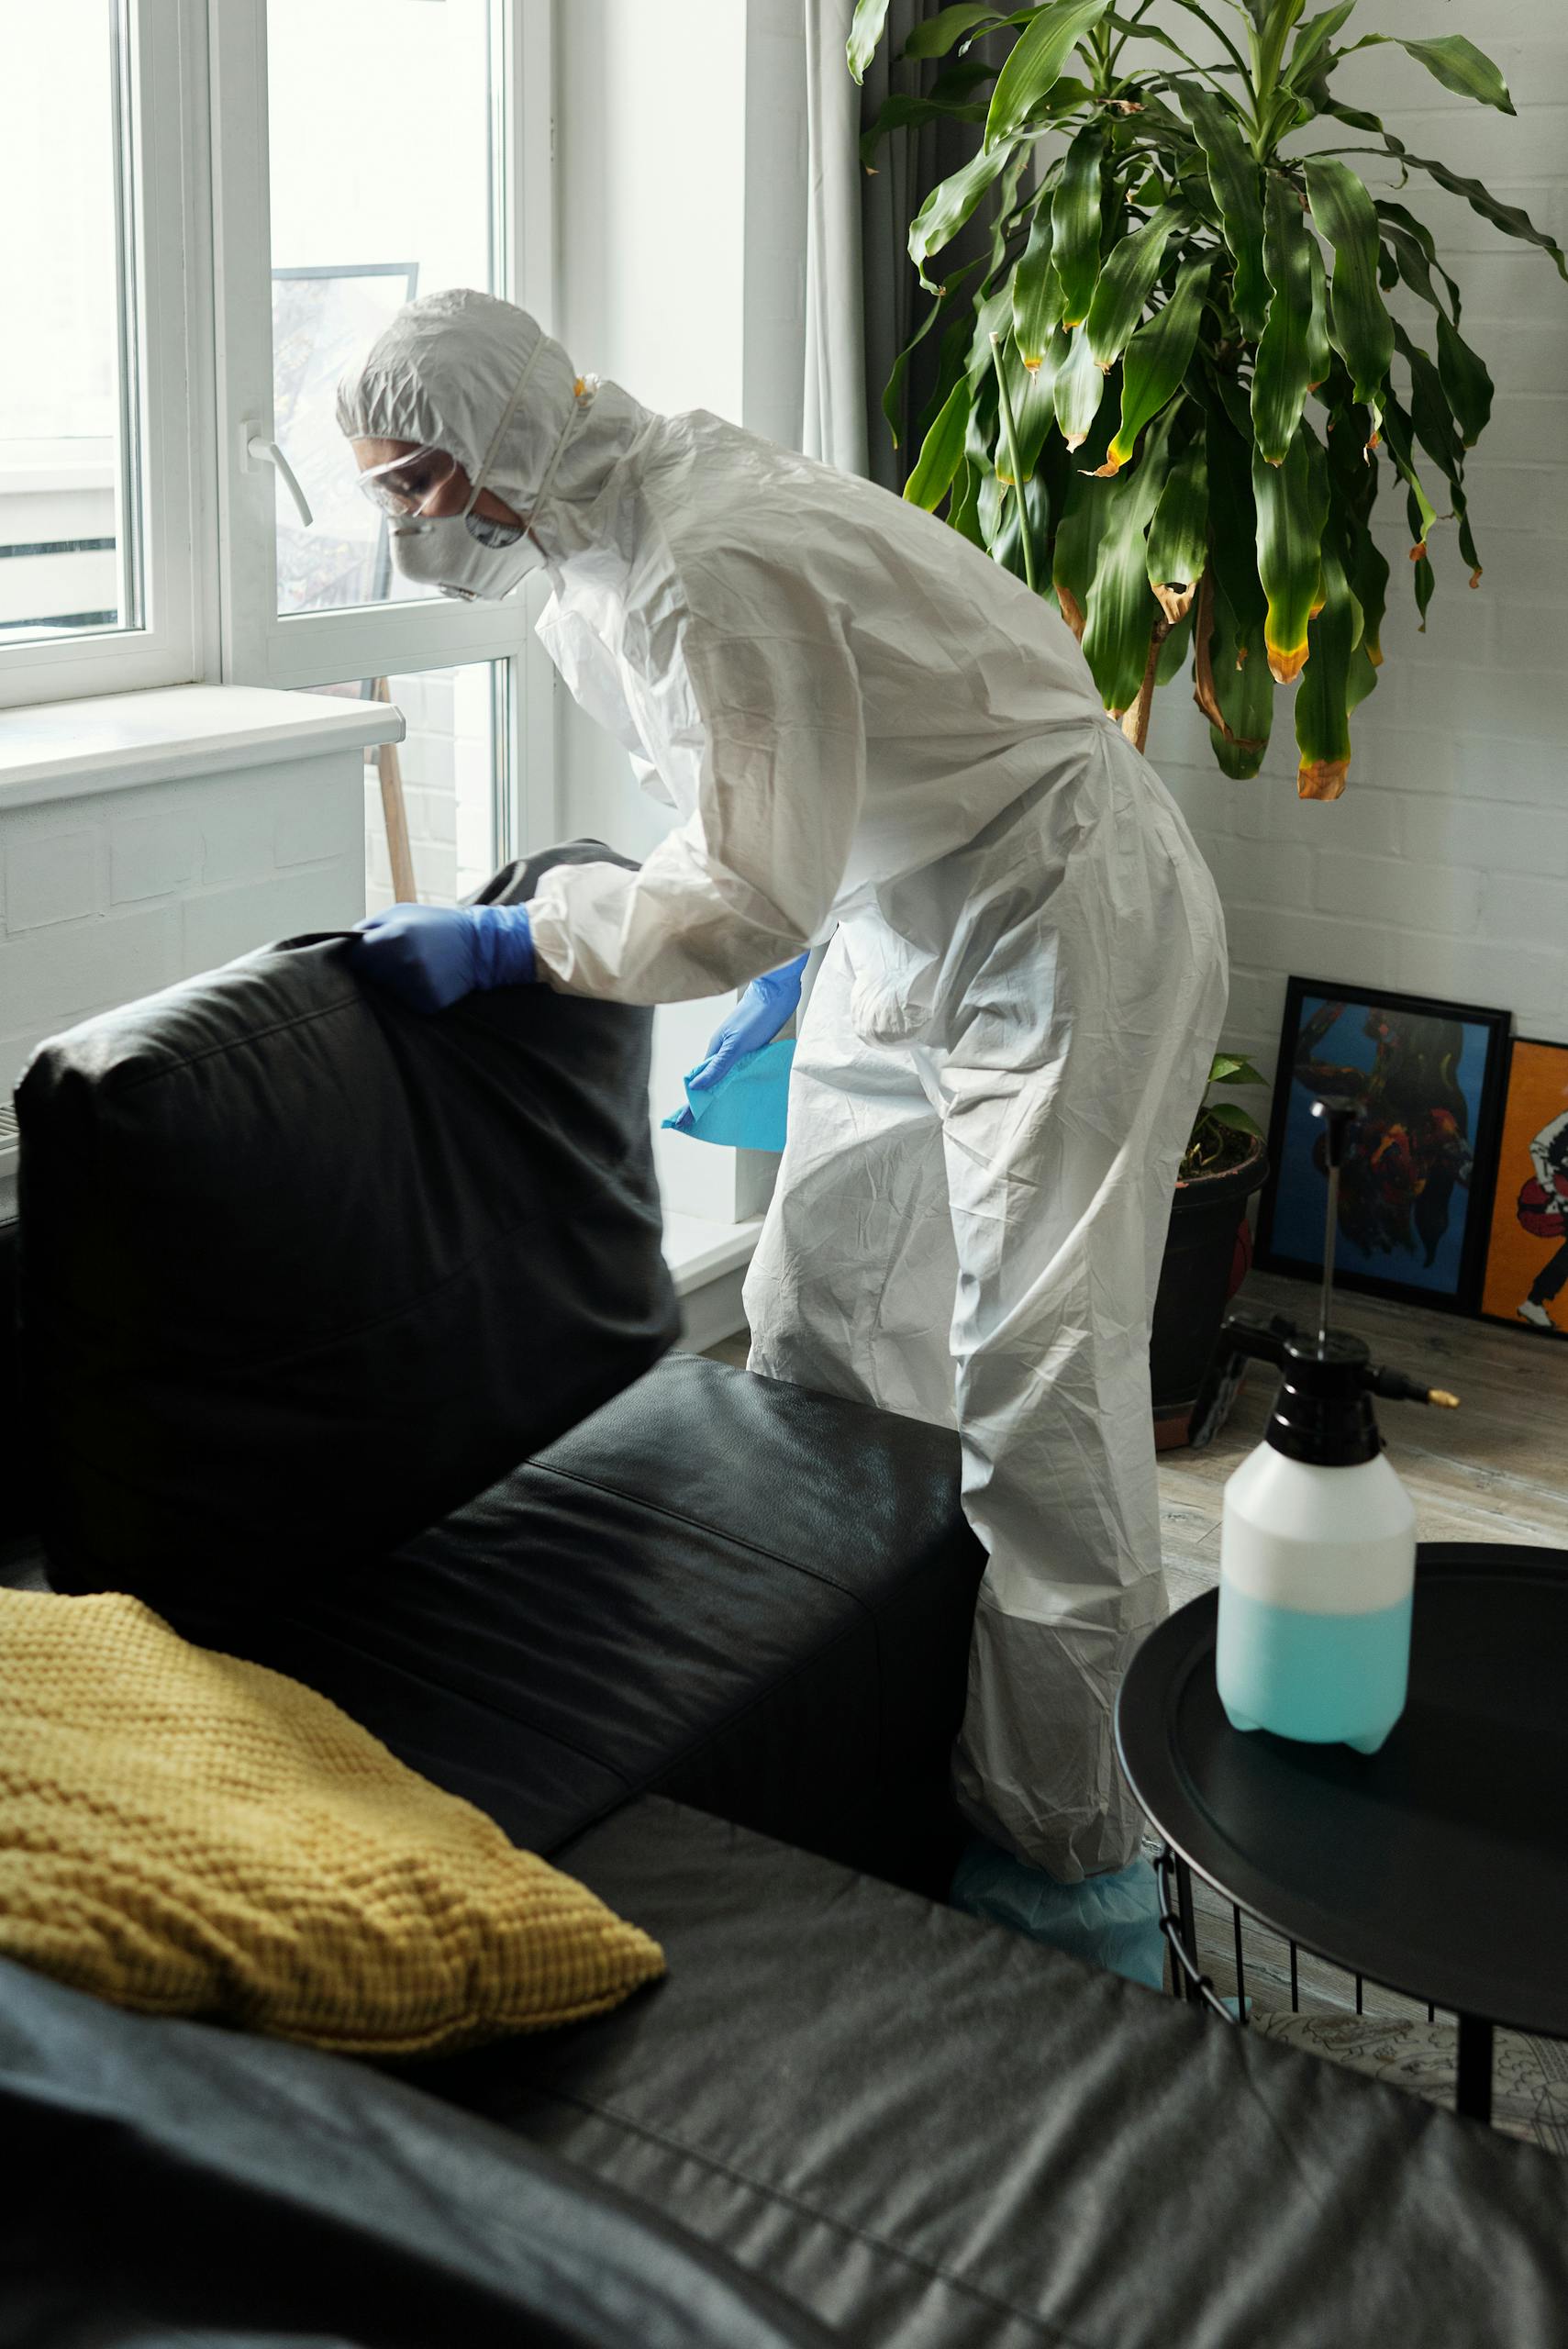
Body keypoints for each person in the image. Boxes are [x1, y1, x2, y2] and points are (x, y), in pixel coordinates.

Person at [339, 288, 1228, 1914]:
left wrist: (517, 938)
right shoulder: (601, 545)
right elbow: (769, 797)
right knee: (821, 1307)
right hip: (911, 895)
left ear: (496, 445)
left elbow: (744, 877)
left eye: (412, 483)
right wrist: (776, 915)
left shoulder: (695, 558)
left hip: (1062, 906)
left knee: (1039, 1375)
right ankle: (885, 1709)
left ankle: (1074, 1847)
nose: (405, 525)